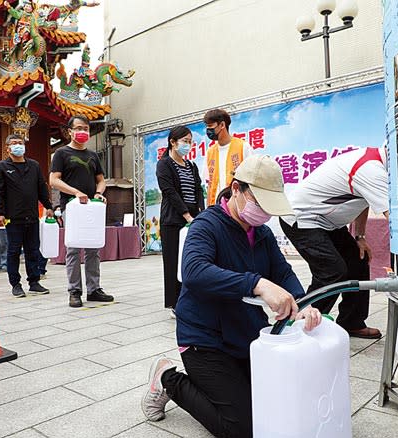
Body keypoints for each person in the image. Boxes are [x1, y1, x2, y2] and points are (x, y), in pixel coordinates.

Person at [141, 155, 322, 438]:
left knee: (276, 406)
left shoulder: (261, 234)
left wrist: (302, 304)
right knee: (241, 429)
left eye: (269, 207)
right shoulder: (206, 225)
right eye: (259, 203)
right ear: (236, 189)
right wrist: (258, 284)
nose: (263, 213)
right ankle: (168, 379)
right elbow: (194, 272)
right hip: (204, 341)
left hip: (245, 337)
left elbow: (283, 273)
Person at [279, 147, 389, 339]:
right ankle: (303, 324)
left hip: (326, 222)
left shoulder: (375, 164)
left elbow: (364, 201)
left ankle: (351, 322)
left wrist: (360, 237)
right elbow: (395, 220)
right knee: (332, 270)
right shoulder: (371, 168)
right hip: (302, 217)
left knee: (358, 259)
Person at [49, 114, 114, 307]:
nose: (82, 132)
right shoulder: (61, 153)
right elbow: (54, 180)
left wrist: (98, 193)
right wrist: (76, 192)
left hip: (92, 208)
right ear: (70, 131)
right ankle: (74, 291)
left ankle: (94, 289)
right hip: (72, 206)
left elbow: (101, 180)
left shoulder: (93, 155)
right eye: (78, 128)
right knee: (73, 249)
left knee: (93, 249)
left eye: (85, 128)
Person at [0, 134, 53, 298]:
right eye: (14, 143)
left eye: (21, 143)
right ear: (8, 148)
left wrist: (48, 206)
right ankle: (15, 284)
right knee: (13, 251)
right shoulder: (1, 167)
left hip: (32, 216)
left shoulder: (34, 166)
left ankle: (34, 282)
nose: (18, 145)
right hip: (13, 217)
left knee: (33, 250)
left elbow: (42, 187)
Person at [156, 125, 205, 317]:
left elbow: (198, 189)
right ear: (173, 142)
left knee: (191, 260)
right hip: (173, 220)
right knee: (173, 261)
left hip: (193, 218)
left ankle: (191, 298)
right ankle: (175, 303)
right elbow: (169, 192)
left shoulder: (191, 165)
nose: (188, 145)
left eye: (190, 142)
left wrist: (200, 212)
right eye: (185, 141)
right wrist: (186, 215)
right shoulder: (164, 164)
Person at [203, 109, 253, 206]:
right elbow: (208, 183)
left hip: (237, 206)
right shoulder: (210, 152)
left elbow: (251, 178)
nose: (208, 131)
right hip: (216, 207)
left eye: (210, 126)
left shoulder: (243, 146)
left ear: (222, 125)